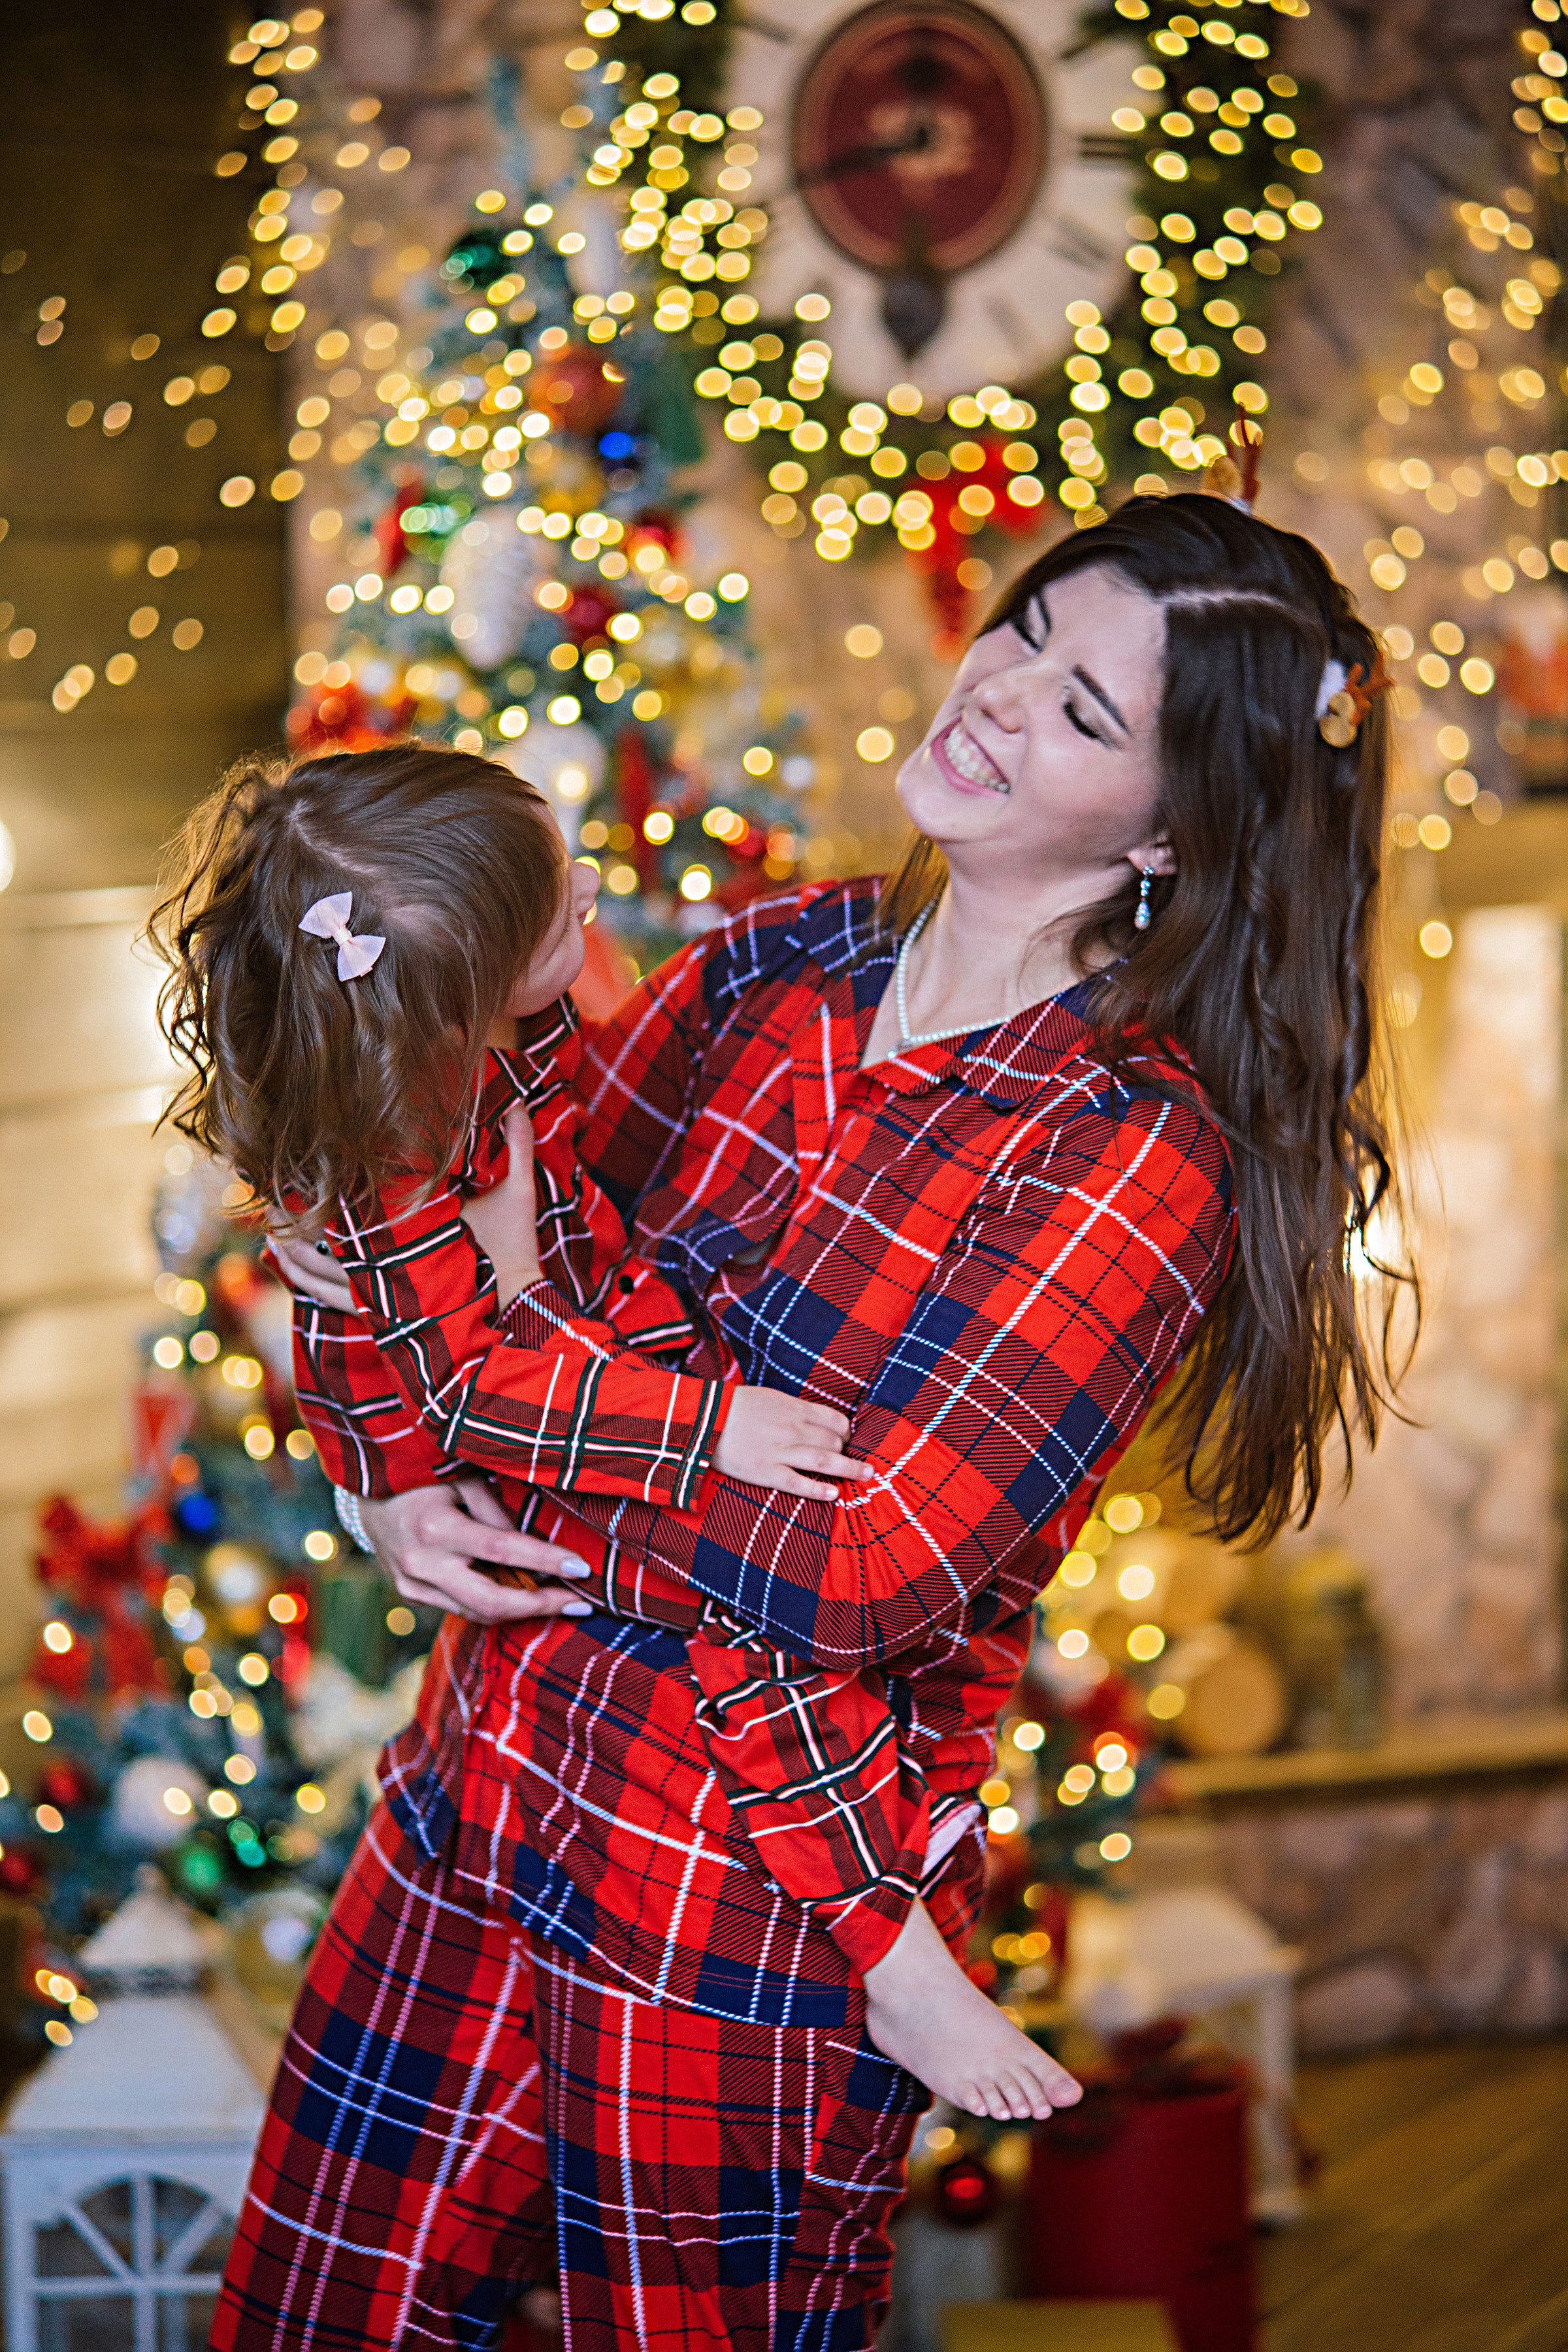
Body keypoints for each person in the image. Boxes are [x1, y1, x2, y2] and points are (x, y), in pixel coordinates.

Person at [212, 493, 1409, 2352]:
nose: (1000, 695)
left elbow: (858, 1568)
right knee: (303, 2326)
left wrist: (521, 1413)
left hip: (737, 1921)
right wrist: (393, 1470)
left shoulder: (1125, 1149)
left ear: (1176, 829)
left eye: (1086, 713)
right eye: (1025, 633)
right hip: (480, 1798)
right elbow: (431, 1180)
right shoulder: (790, 961)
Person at [149, 743, 1072, 2136]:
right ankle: (889, 1951)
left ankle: (899, 1910)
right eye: (556, 905)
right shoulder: (389, 1156)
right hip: (521, 1427)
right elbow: (467, 1391)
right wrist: (708, 1427)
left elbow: (543, 1256)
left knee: (800, 1607)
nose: (592, 892)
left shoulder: (455, 1045)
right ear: (459, 986)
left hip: (571, 1359)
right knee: (760, 1625)